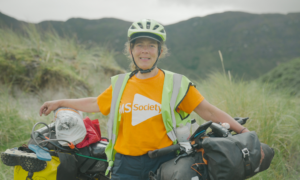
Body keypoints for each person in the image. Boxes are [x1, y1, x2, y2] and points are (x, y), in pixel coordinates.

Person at [39, 19, 258, 180]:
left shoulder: (177, 83)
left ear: (160, 51)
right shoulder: (121, 83)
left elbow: (208, 111)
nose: (145, 51)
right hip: (125, 165)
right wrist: (60, 102)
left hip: (167, 162)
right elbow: (97, 103)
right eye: (139, 45)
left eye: (151, 45)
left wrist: (242, 131)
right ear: (131, 50)